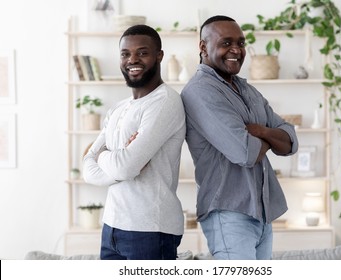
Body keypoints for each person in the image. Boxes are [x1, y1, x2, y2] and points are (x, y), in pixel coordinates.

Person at [181, 15, 299, 260]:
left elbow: (290, 141)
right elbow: (245, 152)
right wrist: (269, 139)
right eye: (226, 43)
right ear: (203, 46)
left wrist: (262, 131)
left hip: (262, 212)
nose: (236, 50)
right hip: (228, 214)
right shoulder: (200, 91)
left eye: (241, 43)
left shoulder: (247, 89)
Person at [82, 25, 186, 260]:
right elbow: (88, 169)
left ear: (159, 56)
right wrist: (119, 165)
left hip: (150, 228)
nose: (132, 60)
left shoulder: (165, 102)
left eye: (142, 52)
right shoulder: (118, 108)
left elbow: (124, 165)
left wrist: (103, 156)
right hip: (111, 225)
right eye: (125, 54)